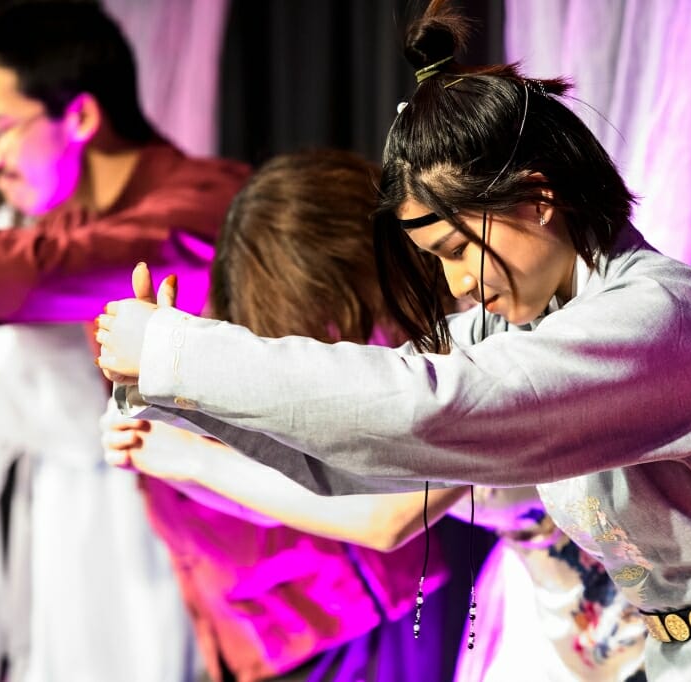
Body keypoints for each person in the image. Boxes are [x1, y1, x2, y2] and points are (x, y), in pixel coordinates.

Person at [95, 1, 691, 679]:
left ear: (535, 199)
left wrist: (180, 352)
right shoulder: (529, 321)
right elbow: (371, 454)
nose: (453, 287)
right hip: (686, 655)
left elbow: (428, 411)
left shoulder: (654, 317)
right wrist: (180, 405)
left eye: (456, 250)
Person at [0, 3, 249, 680]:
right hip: (150, 565)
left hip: (307, 587)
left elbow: (56, 264)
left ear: (81, 117)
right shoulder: (58, 219)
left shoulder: (207, 204)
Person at [101, 150, 454, 682]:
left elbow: (386, 517)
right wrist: (167, 430)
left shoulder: (474, 352)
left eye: (330, 330)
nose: (332, 355)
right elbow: (302, 486)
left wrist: (191, 448)